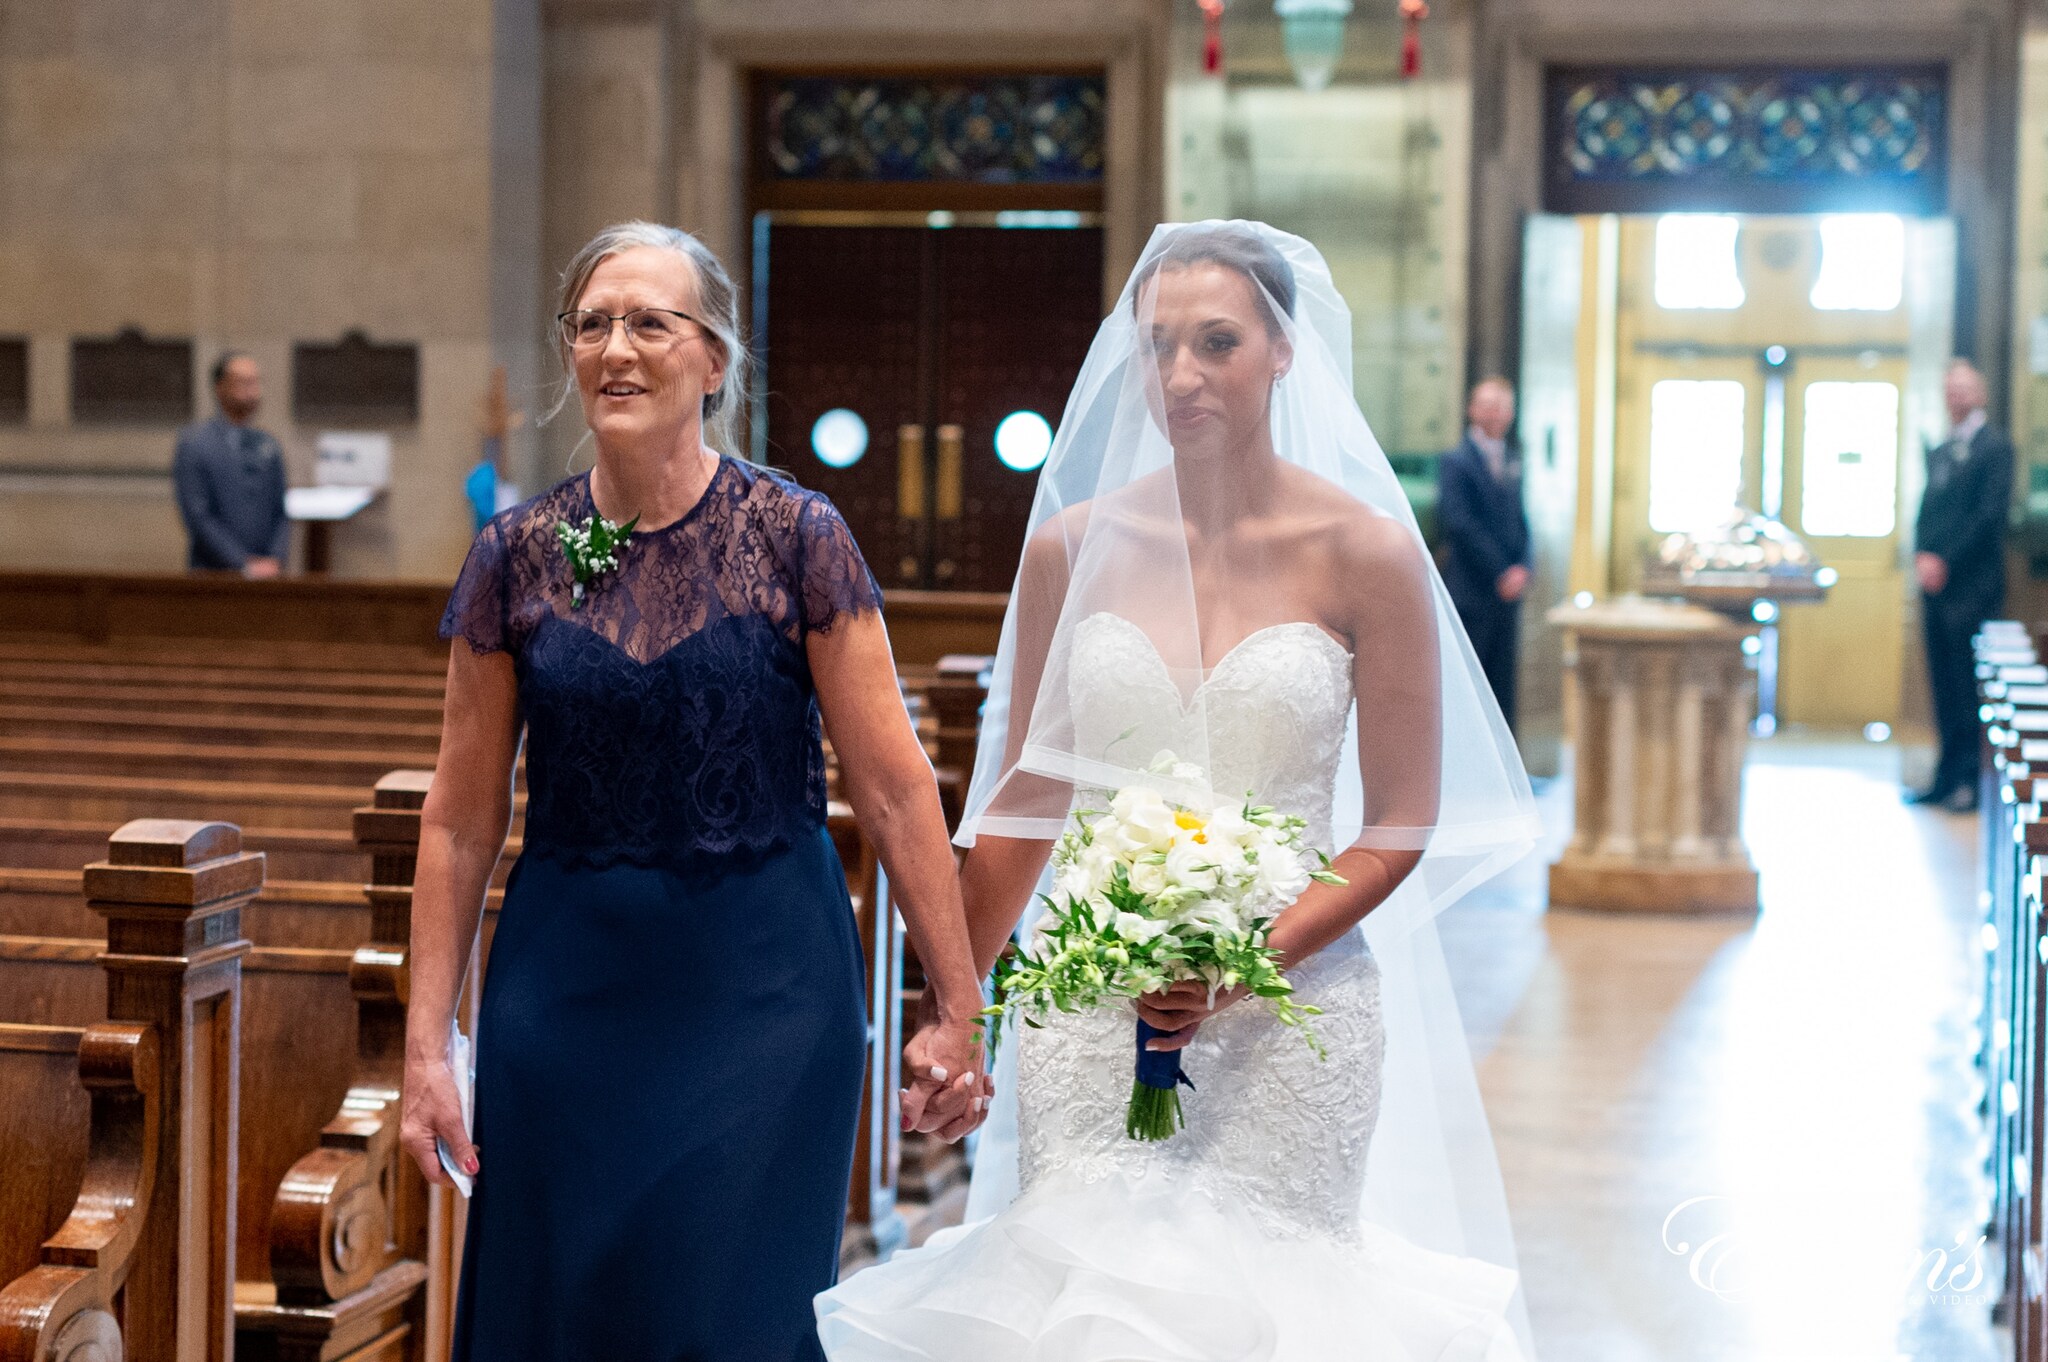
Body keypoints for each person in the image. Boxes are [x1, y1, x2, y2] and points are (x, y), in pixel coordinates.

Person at [818, 222, 1543, 1358]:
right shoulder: (1072, 545)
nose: (1180, 375)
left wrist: (1245, 957)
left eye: (1215, 342)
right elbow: (1029, 797)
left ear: (1282, 352)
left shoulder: (1366, 552)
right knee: (1083, 1298)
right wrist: (955, 1011)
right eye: (1158, 346)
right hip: (1089, 1004)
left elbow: (1400, 822)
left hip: (1287, 1009)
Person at [400, 220, 987, 1362]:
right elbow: (461, 821)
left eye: (649, 323)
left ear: (712, 361)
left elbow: (895, 790)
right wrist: (429, 1050)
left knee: (720, 1318)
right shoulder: (513, 556)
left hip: (763, 993)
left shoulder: (796, 537)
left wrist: (955, 1005)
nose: (616, 348)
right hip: (563, 994)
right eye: (592, 323)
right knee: (559, 1308)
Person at [1910, 358, 2014, 813]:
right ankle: (1944, 775)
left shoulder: (1996, 449)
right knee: (1942, 686)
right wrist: (1922, 556)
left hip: (1972, 587)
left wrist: (1945, 560)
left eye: (1964, 389)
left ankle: (1970, 781)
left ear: (1981, 394)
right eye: (1950, 389)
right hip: (1935, 585)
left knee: (1968, 684)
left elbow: (1987, 518)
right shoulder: (1941, 449)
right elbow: (1929, 511)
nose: (1956, 397)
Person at [1437, 376, 1531, 730]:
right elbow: (1459, 523)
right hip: (1473, 590)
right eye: (1487, 404)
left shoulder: (1513, 458)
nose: (1495, 413)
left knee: (1503, 686)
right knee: (1471, 687)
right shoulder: (1455, 461)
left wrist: (1524, 566)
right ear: (1472, 410)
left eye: (1503, 406)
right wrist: (1500, 572)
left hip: (1508, 596)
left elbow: (1521, 519)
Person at [172, 353, 290, 576]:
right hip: (214, 573)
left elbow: (280, 512)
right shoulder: (196, 444)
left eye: (255, 382)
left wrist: (275, 558)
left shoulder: (268, 444)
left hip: (268, 573)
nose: (252, 391)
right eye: (242, 382)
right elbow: (198, 516)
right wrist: (241, 563)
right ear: (220, 387)